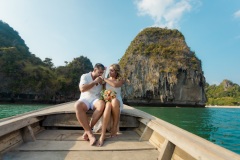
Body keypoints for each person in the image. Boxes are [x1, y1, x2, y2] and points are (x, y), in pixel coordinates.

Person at [74, 63, 106, 146]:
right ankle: (90, 134)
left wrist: (104, 84)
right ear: (94, 70)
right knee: (77, 105)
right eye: (99, 72)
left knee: (102, 105)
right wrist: (95, 82)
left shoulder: (102, 79)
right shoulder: (85, 76)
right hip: (85, 98)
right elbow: (82, 89)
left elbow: (106, 90)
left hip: (96, 99)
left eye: (102, 73)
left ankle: (87, 130)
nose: (100, 74)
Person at [97, 63, 125, 146]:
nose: (110, 71)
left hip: (117, 100)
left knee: (115, 101)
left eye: (112, 70)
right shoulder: (106, 79)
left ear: (116, 72)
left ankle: (114, 127)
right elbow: (100, 84)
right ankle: (103, 134)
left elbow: (115, 85)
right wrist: (104, 74)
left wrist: (104, 79)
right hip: (108, 99)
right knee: (109, 105)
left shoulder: (121, 79)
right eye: (109, 70)